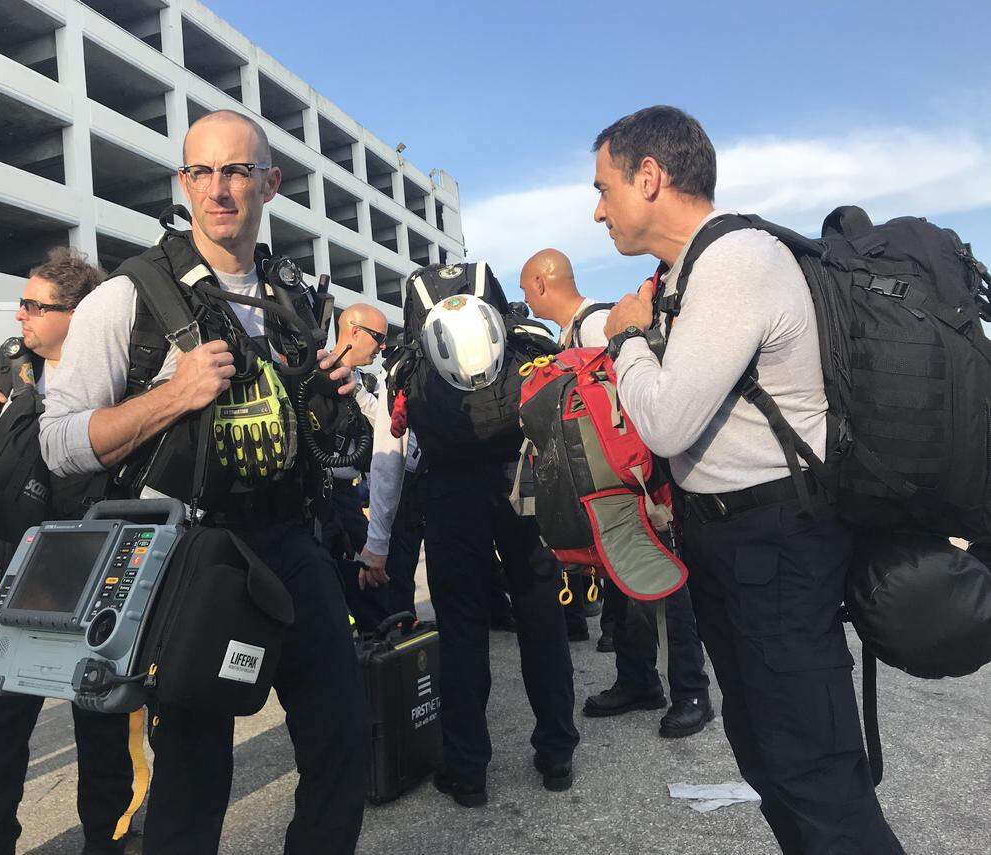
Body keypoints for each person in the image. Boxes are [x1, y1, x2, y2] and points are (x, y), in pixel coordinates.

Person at [39, 110, 366, 854]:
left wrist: (327, 398)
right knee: (191, 775)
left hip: (293, 539)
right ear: (183, 183)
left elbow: (307, 430)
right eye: (201, 172)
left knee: (344, 736)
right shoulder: (124, 298)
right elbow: (58, 444)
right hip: (193, 556)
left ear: (270, 184)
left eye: (236, 171)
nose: (218, 190)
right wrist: (172, 394)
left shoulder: (294, 296)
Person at [593, 105, 902, 853]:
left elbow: (665, 420)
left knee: (818, 780)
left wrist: (628, 337)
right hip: (738, 543)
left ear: (651, 177)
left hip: (776, 545)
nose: (598, 208)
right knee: (773, 763)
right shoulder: (694, 270)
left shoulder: (735, 262)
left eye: (604, 187)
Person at [0, 247, 140, 855]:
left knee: (100, 714)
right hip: (5, 568)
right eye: (23, 302)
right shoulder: (5, 361)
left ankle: (107, 836)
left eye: (34, 305)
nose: (21, 315)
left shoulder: (115, 366)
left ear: (79, 314)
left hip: (90, 564)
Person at [367, 285, 579, 808]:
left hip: (447, 496)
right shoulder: (517, 343)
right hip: (520, 484)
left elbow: (387, 458)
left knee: (461, 630)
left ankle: (467, 772)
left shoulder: (408, 363)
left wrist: (377, 541)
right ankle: (556, 755)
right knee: (540, 617)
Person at [519, 248, 714, 738]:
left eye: (525, 288)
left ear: (542, 284)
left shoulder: (597, 326)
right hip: (612, 486)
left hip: (635, 484)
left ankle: (692, 691)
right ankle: (638, 680)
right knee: (627, 589)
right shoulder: (574, 331)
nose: (524, 298)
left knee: (665, 586)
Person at [320, 303, 393, 630]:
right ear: (353, 330)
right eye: (378, 338)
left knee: (368, 572)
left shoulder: (372, 383)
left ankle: (376, 639)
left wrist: (359, 391)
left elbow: (391, 430)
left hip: (348, 494)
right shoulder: (314, 370)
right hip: (313, 496)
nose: (382, 347)